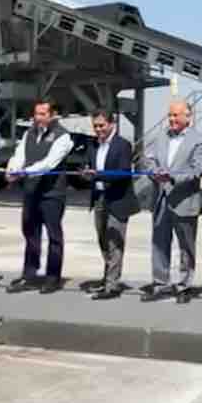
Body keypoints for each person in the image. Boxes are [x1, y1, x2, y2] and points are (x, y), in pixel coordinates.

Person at [141, 100, 202, 304]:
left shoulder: (200, 140)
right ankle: (160, 283)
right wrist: (155, 172)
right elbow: (148, 159)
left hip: (184, 200)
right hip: (160, 198)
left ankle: (184, 286)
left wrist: (170, 177)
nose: (171, 119)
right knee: (159, 243)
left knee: (186, 246)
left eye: (175, 115)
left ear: (188, 117)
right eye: (169, 115)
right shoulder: (159, 137)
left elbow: (197, 169)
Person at [5, 98, 74, 295]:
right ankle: (29, 275)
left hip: (52, 194)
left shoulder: (63, 136)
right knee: (31, 234)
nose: (38, 118)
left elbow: (49, 163)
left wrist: (24, 172)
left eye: (43, 114)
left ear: (52, 115)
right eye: (36, 114)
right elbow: (19, 155)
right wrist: (13, 168)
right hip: (31, 192)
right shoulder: (29, 133)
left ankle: (53, 278)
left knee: (54, 237)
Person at [82, 109, 138, 300]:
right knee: (103, 240)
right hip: (99, 198)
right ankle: (108, 277)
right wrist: (86, 173)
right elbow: (89, 167)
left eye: (102, 125)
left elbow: (123, 172)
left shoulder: (123, 145)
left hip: (118, 200)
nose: (98, 129)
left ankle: (112, 285)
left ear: (112, 124)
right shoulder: (92, 145)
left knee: (115, 242)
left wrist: (98, 175)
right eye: (95, 126)